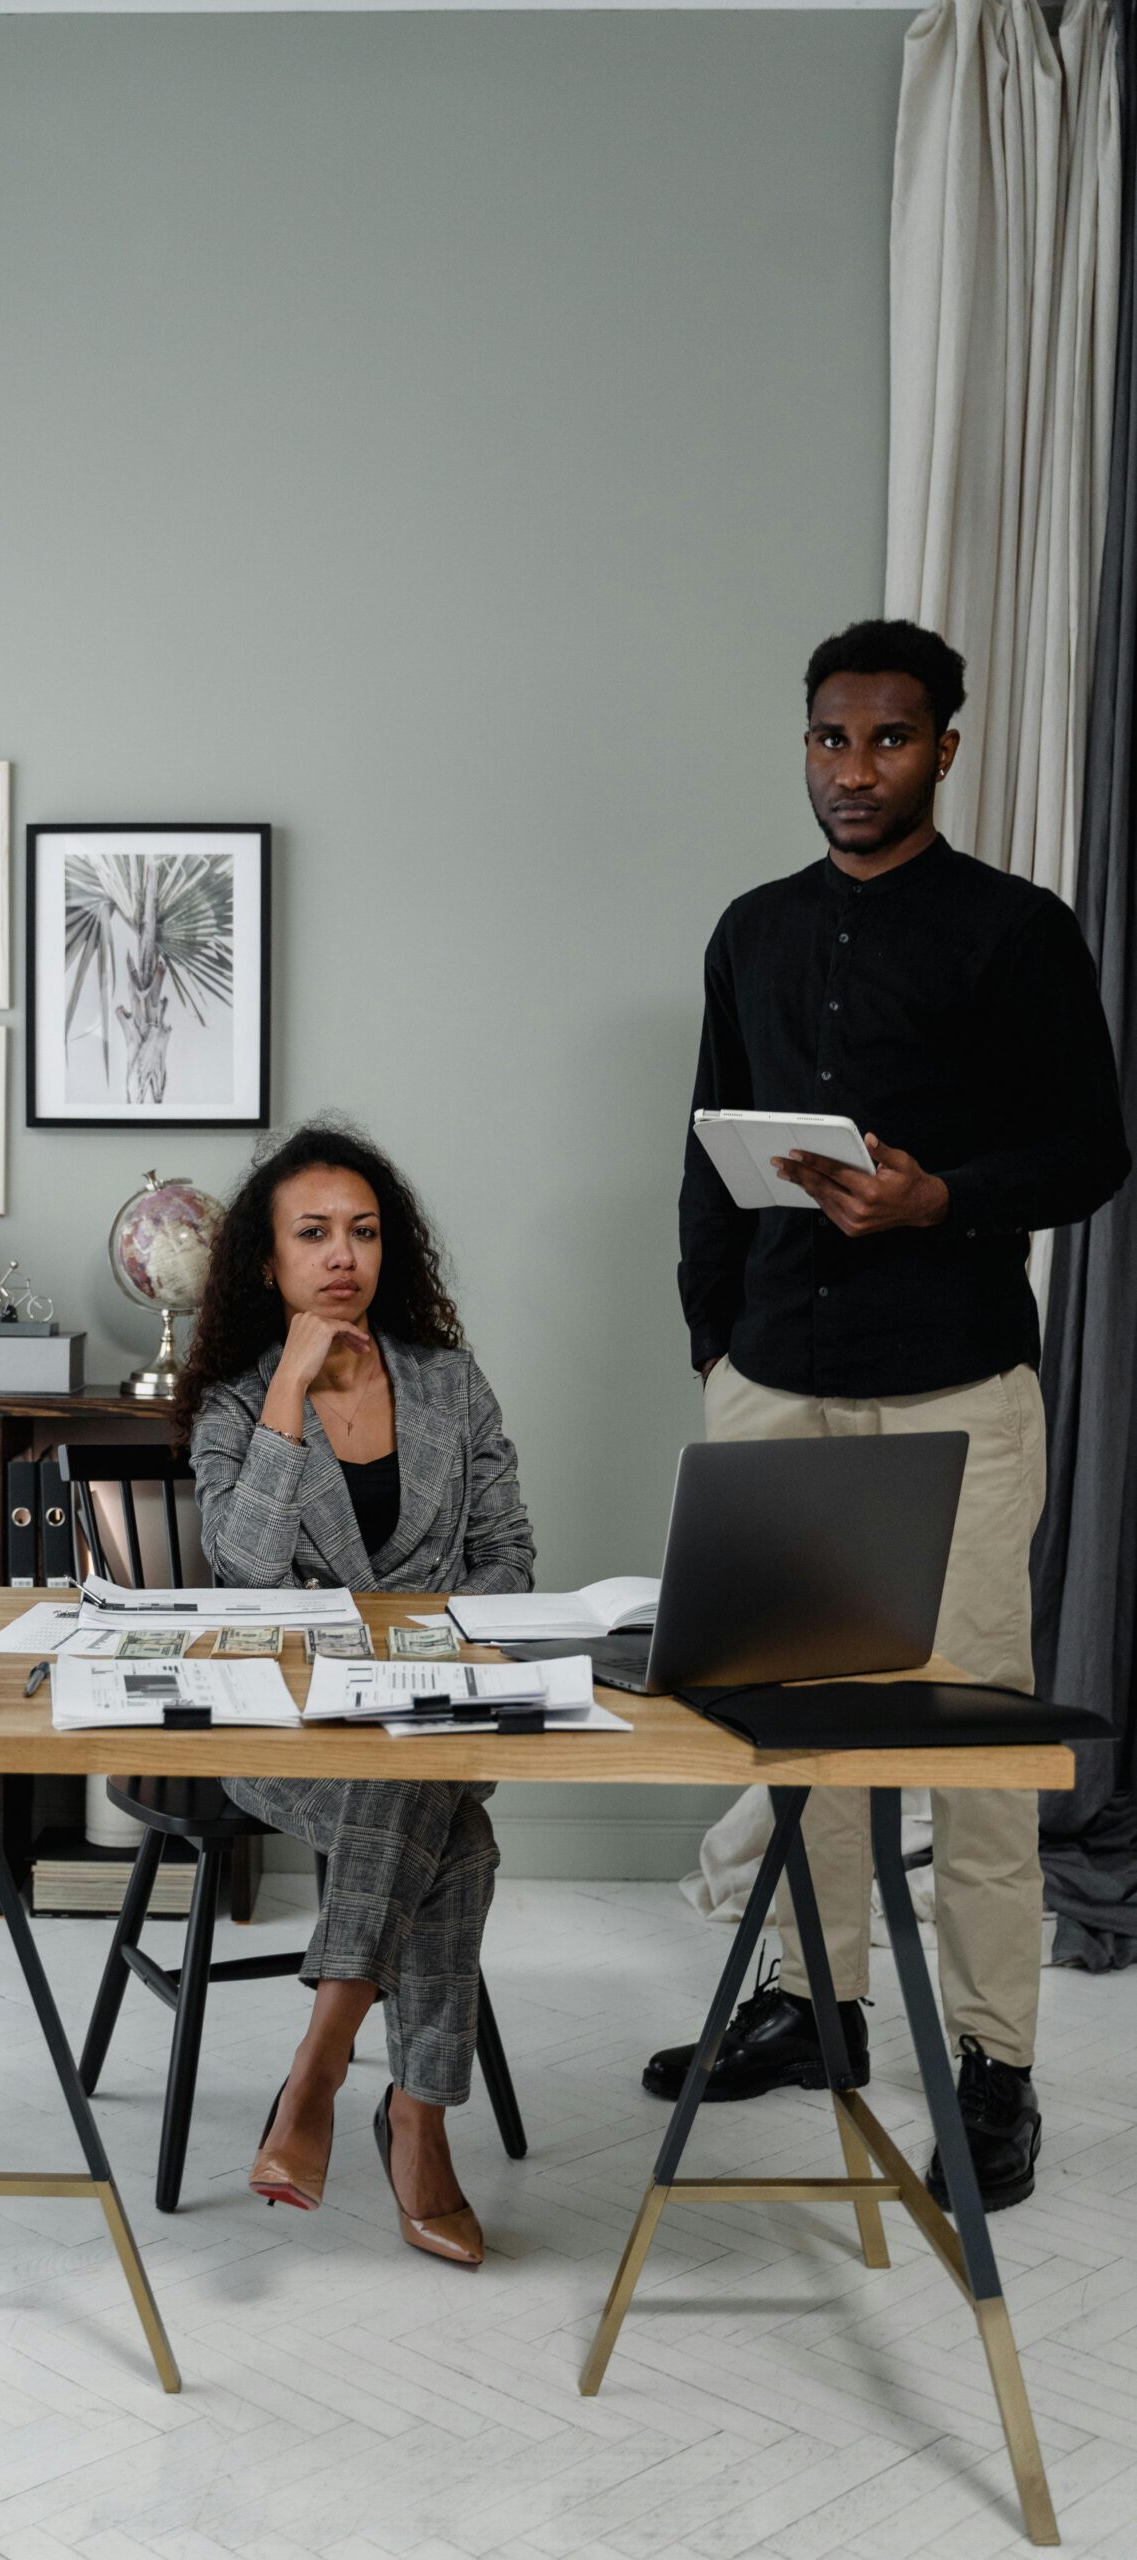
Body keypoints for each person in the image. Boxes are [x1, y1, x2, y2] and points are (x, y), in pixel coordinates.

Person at [650, 618, 1129, 2210]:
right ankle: (812, 2004)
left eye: (885, 742)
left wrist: (939, 1201)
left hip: (953, 1385)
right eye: (827, 741)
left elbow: (1089, 1153)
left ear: (941, 748)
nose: (851, 772)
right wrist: (714, 1336)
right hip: (771, 1380)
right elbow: (706, 1138)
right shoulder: (749, 930)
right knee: (789, 1726)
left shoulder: (1016, 931)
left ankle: (992, 2068)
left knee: (971, 1735)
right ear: (802, 744)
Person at [182, 1123, 535, 2266]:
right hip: (282, 1727)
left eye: (365, 1231)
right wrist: (290, 1379)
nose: (344, 1255)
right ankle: (415, 2122)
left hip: (439, 1706)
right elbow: (243, 1572)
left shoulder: (449, 1380)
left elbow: (509, 1555)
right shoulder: (238, 1404)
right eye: (315, 1233)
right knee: (456, 1840)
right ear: (269, 1261)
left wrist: (428, 1663)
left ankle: (319, 2072)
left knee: (418, 1773)